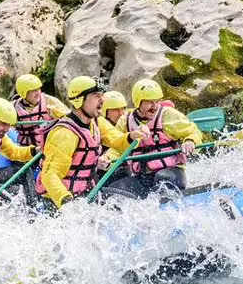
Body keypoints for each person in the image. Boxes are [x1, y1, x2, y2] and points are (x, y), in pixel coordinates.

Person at [35, 76, 149, 209]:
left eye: (101, 95)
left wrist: (133, 135)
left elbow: (117, 140)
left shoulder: (97, 123)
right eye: (96, 96)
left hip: (85, 194)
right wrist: (66, 202)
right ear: (79, 100)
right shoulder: (64, 134)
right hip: (59, 202)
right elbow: (50, 175)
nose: (102, 100)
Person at [109, 79, 201, 196]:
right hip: (142, 177)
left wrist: (190, 141)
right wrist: (107, 159)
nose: (155, 106)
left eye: (156, 101)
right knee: (115, 190)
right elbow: (116, 147)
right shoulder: (124, 122)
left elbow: (193, 131)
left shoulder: (168, 115)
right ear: (138, 102)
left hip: (172, 172)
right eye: (149, 102)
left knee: (162, 180)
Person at [13, 74, 70, 147]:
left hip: (48, 146)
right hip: (26, 149)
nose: (37, 93)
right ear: (23, 93)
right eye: (33, 91)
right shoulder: (14, 108)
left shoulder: (49, 102)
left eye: (38, 89)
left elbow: (68, 118)